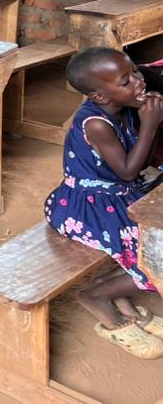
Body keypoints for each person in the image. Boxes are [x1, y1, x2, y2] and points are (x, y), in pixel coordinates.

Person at [44, 47, 163, 358]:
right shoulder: (96, 124)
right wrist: (151, 124)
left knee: (155, 234)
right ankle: (97, 299)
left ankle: (121, 297)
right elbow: (126, 172)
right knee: (155, 255)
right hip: (86, 207)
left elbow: (138, 161)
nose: (138, 82)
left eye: (135, 72)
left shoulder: (121, 108)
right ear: (100, 96)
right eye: (126, 81)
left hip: (117, 194)